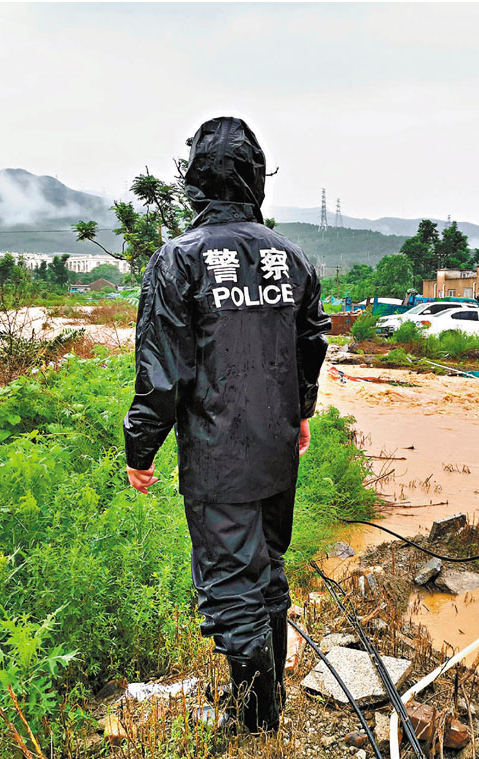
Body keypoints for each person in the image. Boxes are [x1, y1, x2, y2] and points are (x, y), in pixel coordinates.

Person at [123, 116, 330, 733]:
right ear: (255, 177)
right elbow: (310, 342)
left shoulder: (179, 260)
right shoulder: (290, 257)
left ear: (194, 181)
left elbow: (163, 370)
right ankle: (269, 706)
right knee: (266, 568)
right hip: (275, 449)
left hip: (219, 456)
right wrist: (301, 413)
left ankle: (258, 723)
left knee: (233, 586)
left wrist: (140, 447)